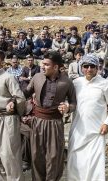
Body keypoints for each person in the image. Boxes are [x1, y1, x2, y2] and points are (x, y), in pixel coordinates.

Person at [23, 51, 77, 181]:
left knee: (54, 157)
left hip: (55, 123)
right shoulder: (36, 77)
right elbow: (25, 93)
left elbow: (74, 102)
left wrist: (68, 107)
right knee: (37, 157)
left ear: (56, 67)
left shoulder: (67, 82)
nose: (42, 66)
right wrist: (11, 99)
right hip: (37, 121)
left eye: (46, 64)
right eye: (42, 64)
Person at [67, 54, 108, 181]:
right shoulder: (76, 83)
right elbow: (70, 103)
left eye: (92, 66)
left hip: (97, 131)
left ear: (97, 68)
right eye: (86, 66)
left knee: (95, 166)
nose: (89, 69)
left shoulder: (105, 83)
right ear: (81, 67)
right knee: (75, 162)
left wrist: (107, 124)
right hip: (78, 130)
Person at [0, 49, 26, 180]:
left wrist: (14, 107)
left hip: (7, 118)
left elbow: (19, 97)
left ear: (2, 62)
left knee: (9, 155)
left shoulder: (8, 77)